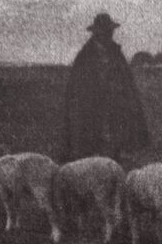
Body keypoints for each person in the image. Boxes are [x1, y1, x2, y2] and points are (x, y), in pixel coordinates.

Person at [62, 13, 150, 161]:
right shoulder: (85, 56)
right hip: (93, 109)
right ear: (98, 32)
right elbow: (76, 88)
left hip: (114, 108)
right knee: (93, 148)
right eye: (106, 30)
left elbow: (127, 82)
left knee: (114, 146)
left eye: (111, 30)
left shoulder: (116, 53)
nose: (110, 34)